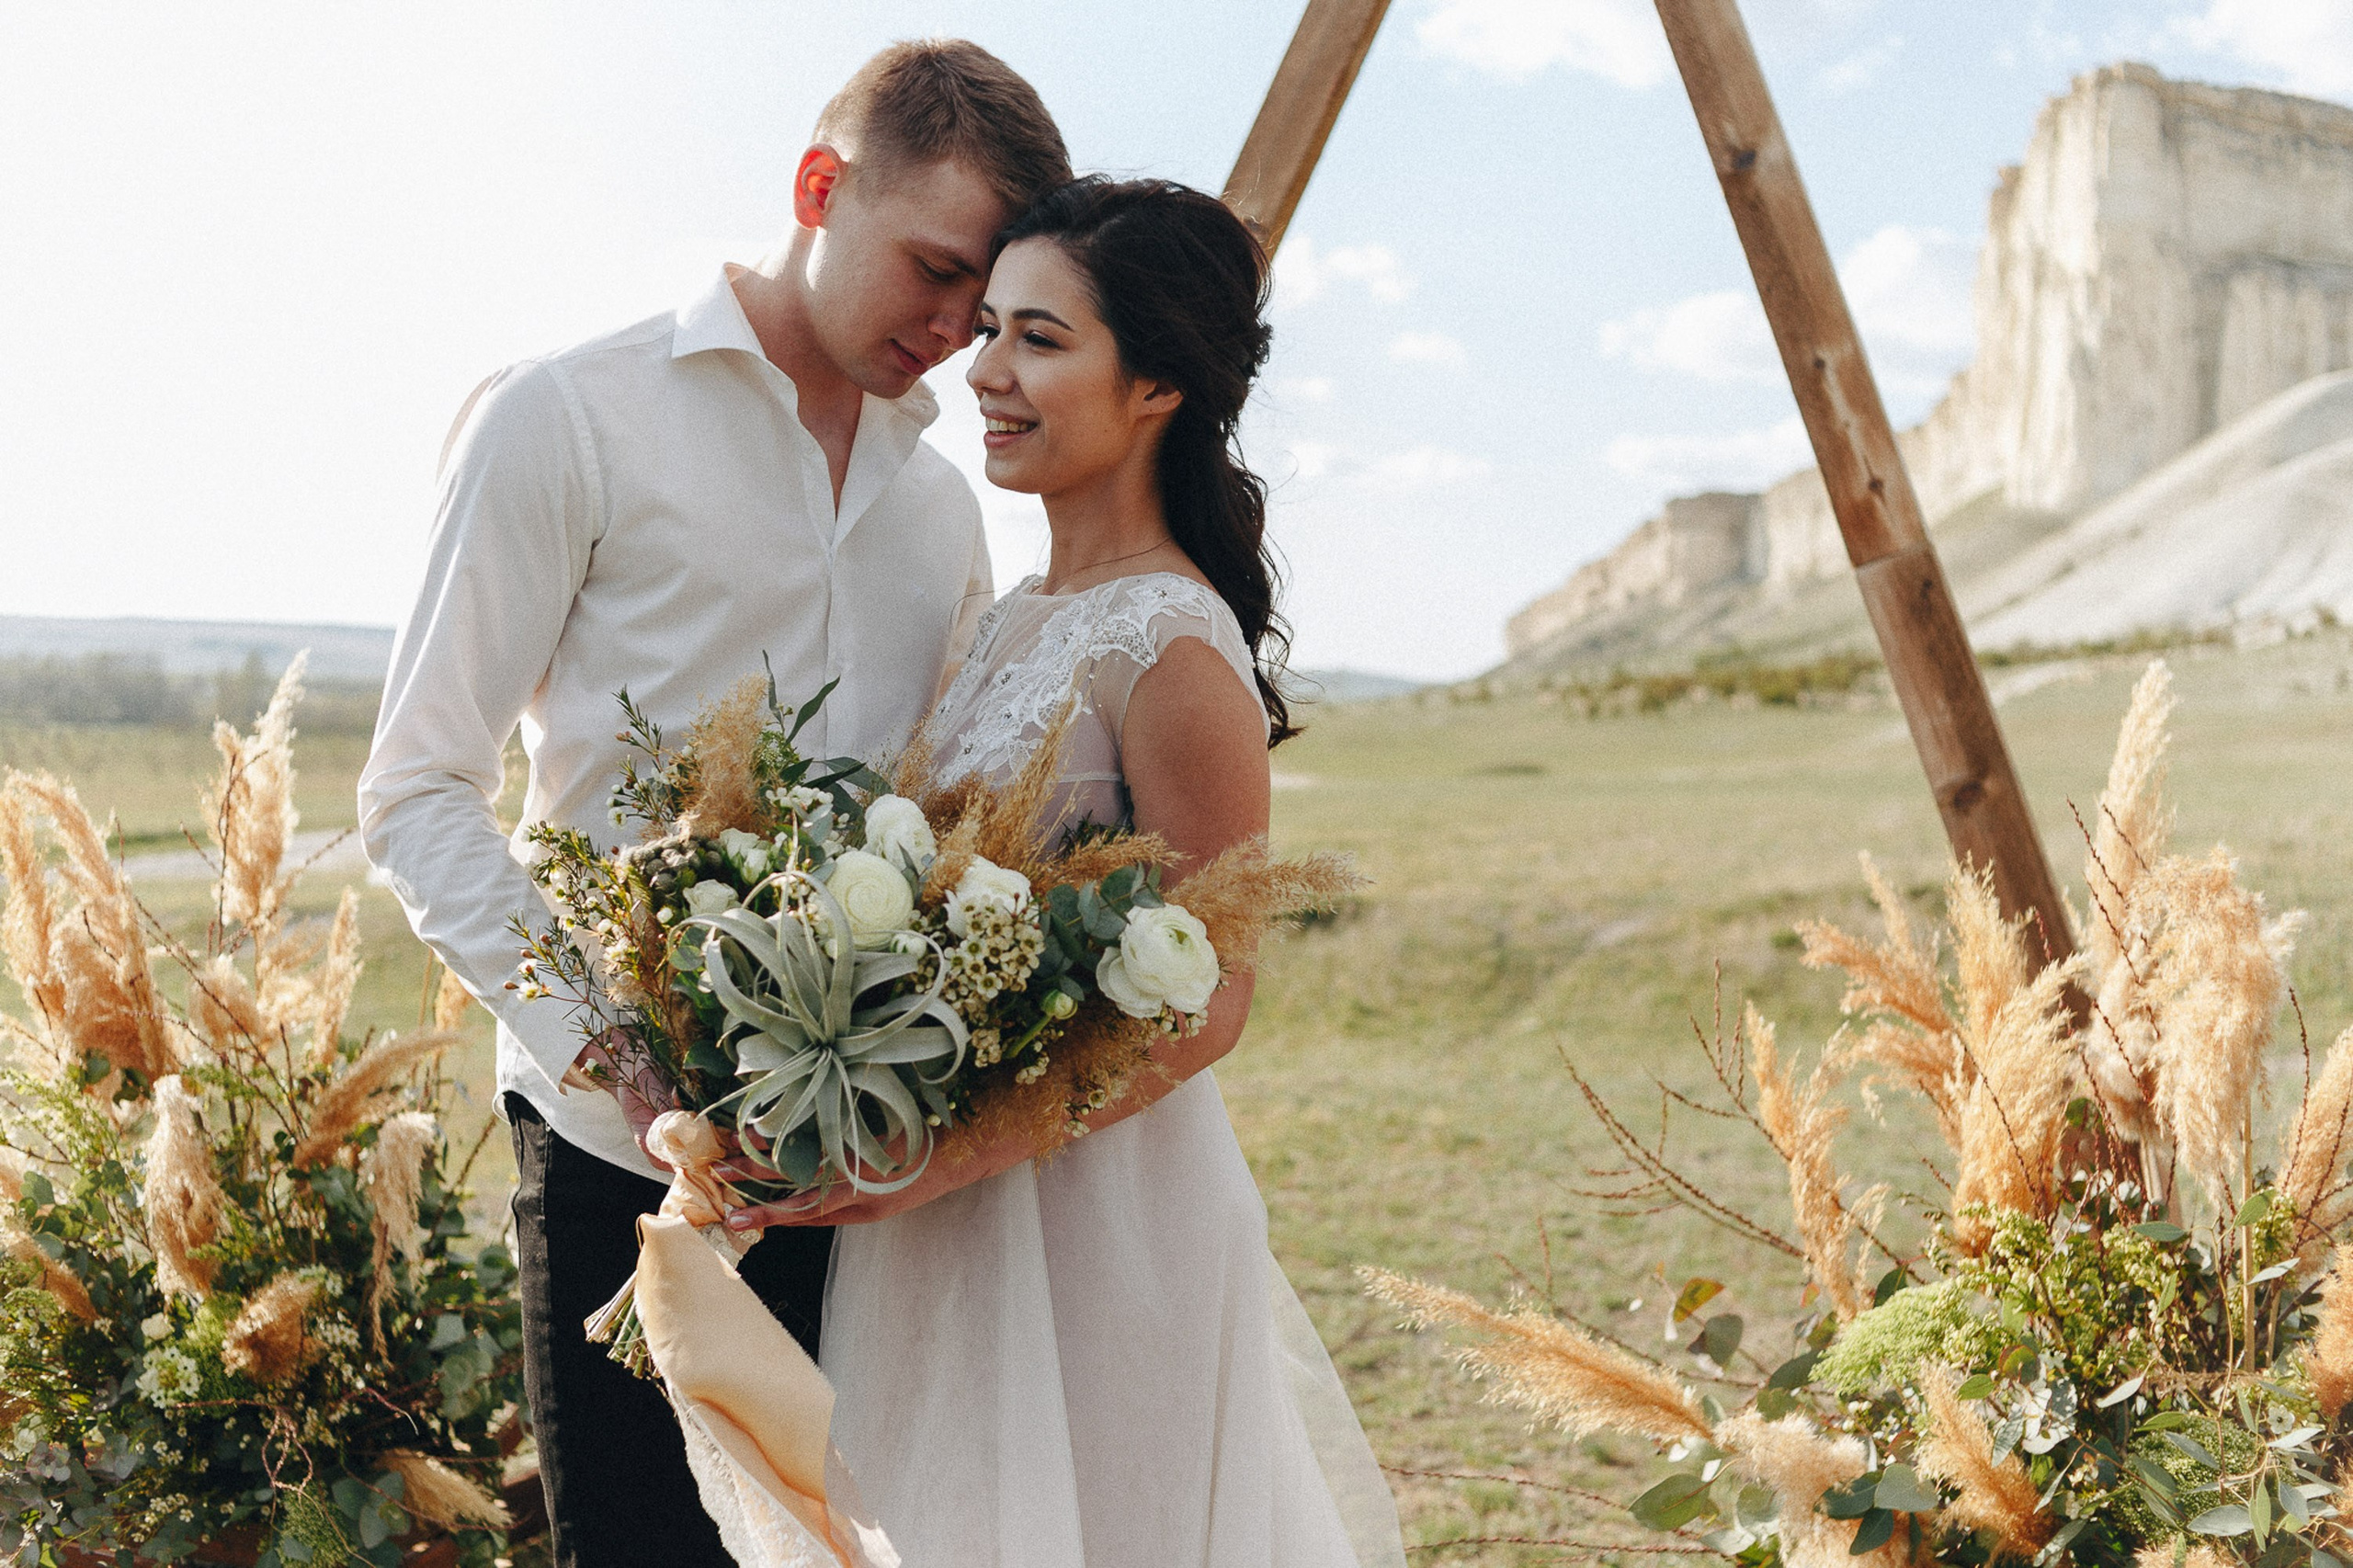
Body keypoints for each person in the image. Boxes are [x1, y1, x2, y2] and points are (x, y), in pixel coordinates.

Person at [355, 41, 1069, 1568]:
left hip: (872, 1184)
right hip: (628, 1162)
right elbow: (416, 788)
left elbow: (939, 816)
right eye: (934, 272)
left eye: (986, 301)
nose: (955, 334)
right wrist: (618, 1063)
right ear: (818, 188)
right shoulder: (566, 417)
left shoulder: (943, 507)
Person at [733, 176, 1408, 1568]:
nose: (984, 369)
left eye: (1038, 338)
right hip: (937, 1214)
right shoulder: (1009, 617)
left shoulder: (1171, 644)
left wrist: (947, 1158)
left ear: (1156, 380)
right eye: (988, 327)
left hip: (1096, 1222)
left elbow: (1213, 993)